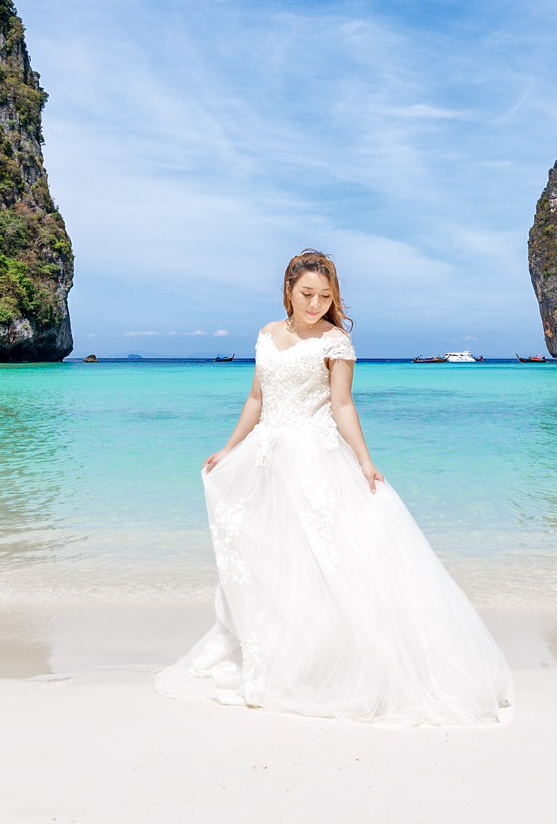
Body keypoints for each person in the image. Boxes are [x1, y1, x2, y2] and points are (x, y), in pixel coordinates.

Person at [155, 250, 513, 726]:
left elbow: (342, 405)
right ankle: (280, 656)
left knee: (326, 559)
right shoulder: (266, 334)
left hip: (313, 455)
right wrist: (228, 448)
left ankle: (329, 663)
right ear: (288, 290)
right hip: (266, 456)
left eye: (325, 297)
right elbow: (257, 398)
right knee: (274, 559)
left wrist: (365, 461)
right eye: (307, 294)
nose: (316, 305)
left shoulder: (336, 342)